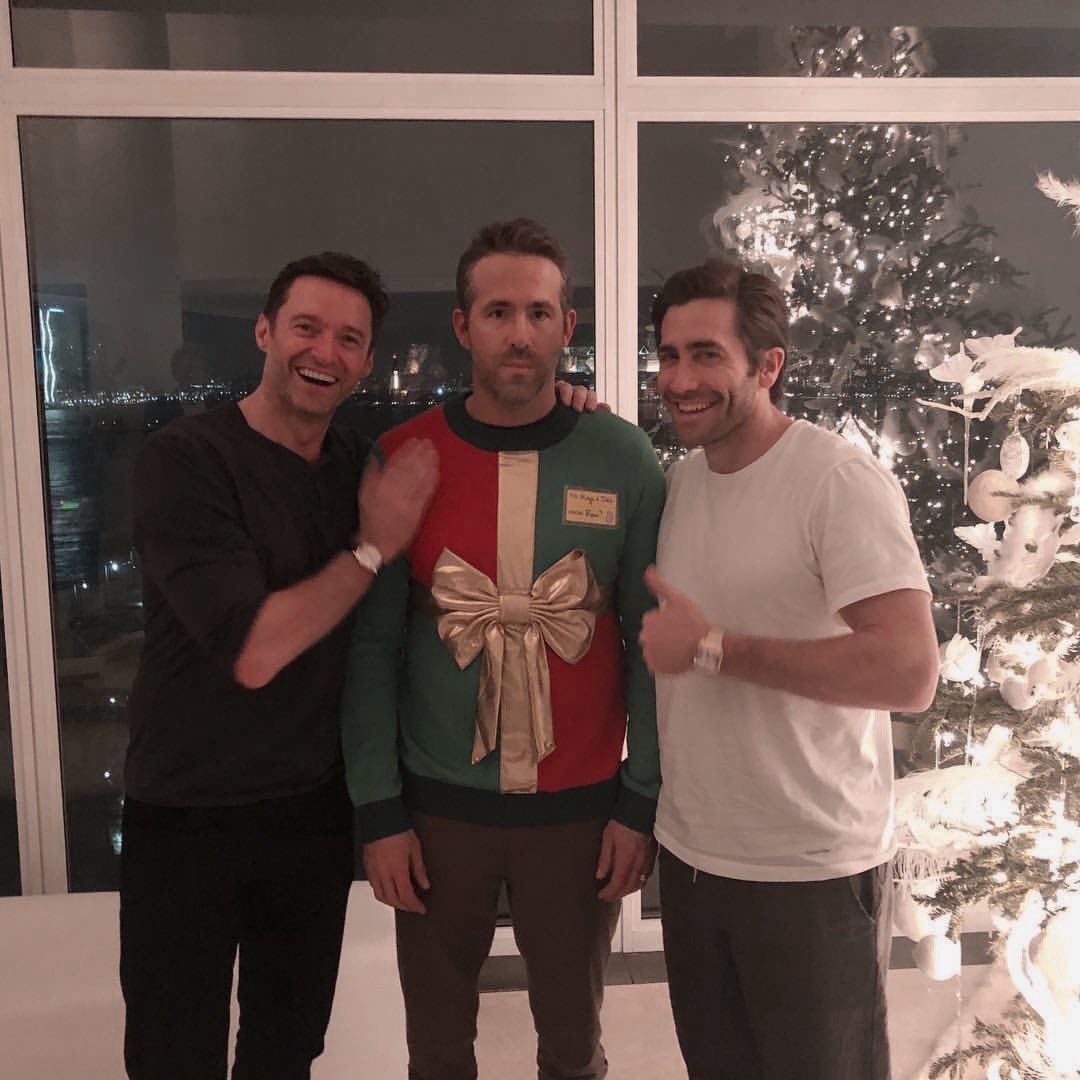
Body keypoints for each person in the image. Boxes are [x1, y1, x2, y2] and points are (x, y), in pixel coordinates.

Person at [341, 218, 666, 1080]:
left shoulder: (622, 455)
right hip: (436, 814)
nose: (519, 333)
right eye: (497, 312)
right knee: (437, 1049)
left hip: (580, 815)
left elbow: (649, 642)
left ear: (567, 326)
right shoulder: (404, 456)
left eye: (538, 312)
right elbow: (371, 649)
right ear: (463, 325)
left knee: (573, 1046)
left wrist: (639, 801)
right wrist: (379, 813)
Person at [120, 251, 439, 1080]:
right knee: (172, 1055)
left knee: (287, 1049)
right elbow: (256, 651)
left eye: (348, 339)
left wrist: (574, 408)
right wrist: (370, 550)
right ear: (265, 331)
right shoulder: (185, 460)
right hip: (185, 813)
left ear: (366, 362)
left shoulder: (356, 465)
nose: (323, 352)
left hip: (310, 812)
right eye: (306, 327)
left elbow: (467, 454)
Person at [638, 258, 939, 1080]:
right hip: (694, 859)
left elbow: (909, 671)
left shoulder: (835, 480)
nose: (680, 380)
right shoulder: (683, 483)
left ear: (767, 365)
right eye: (669, 356)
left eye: (707, 355)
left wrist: (714, 647)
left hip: (812, 871)